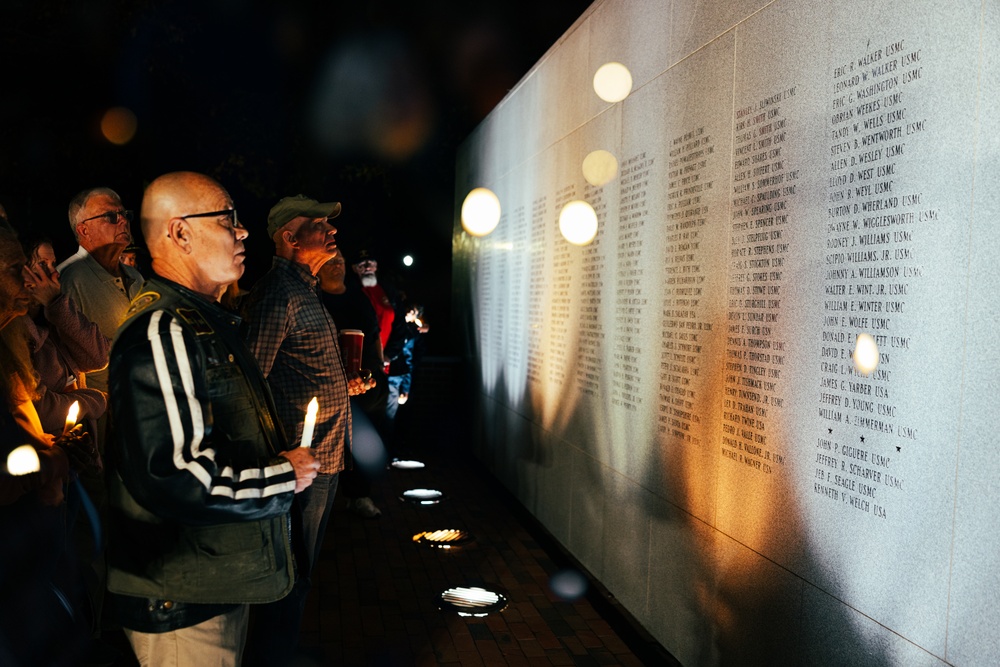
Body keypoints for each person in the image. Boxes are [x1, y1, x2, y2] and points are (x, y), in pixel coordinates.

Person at [104, 172, 320, 666]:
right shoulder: (165, 327)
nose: (242, 233)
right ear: (180, 233)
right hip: (182, 597)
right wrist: (282, 478)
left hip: (207, 583)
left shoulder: (200, 321)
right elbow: (177, 476)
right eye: (228, 219)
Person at [242, 195, 375, 664]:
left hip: (322, 459)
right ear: (289, 238)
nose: (331, 231)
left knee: (300, 574)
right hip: (298, 465)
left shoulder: (305, 290)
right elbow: (252, 379)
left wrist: (344, 384)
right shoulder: (279, 293)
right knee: (290, 578)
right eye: (318, 224)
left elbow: (295, 369)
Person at [0, 224, 96, 665]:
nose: (30, 278)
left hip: (39, 509)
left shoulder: (24, 325)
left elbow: (93, 356)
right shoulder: (13, 334)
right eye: (17, 267)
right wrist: (39, 459)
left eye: (34, 266)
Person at [318, 249, 389, 518]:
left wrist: (378, 371)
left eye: (340, 261)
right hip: (331, 388)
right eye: (330, 261)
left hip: (368, 386)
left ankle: (359, 496)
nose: (336, 265)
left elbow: (373, 337)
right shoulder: (315, 299)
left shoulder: (358, 297)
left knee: (363, 442)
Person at [58, 187, 144, 395]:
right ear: (84, 230)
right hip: (102, 410)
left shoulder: (136, 277)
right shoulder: (68, 280)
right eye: (111, 216)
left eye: (124, 214)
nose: (123, 220)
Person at [351, 249, 396, 350]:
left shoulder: (388, 290)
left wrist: (390, 354)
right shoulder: (350, 291)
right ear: (355, 268)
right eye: (362, 264)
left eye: (370, 263)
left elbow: (399, 322)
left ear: (375, 266)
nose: (367, 267)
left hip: (387, 355)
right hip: (362, 352)